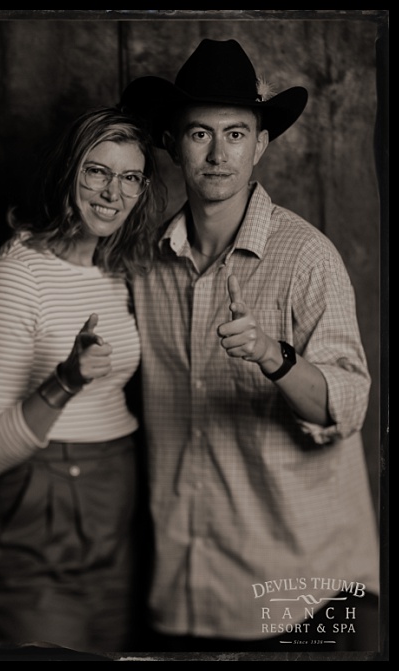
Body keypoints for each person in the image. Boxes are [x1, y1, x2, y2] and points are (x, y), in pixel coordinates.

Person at [120, 38, 379, 652]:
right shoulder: (146, 264)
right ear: (172, 143)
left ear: (260, 145)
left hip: (303, 590)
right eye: (200, 134)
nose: (217, 153)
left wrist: (272, 354)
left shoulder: (307, 258)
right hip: (188, 588)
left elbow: (347, 406)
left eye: (235, 134)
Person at [0, 108, 165, 652]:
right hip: (36, 522)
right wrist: (66, 380)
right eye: (97, 171)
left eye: (129, 178)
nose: (112, 193)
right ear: (66, 173)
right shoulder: (12, 281)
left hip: (113, 514)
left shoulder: (114, 270)